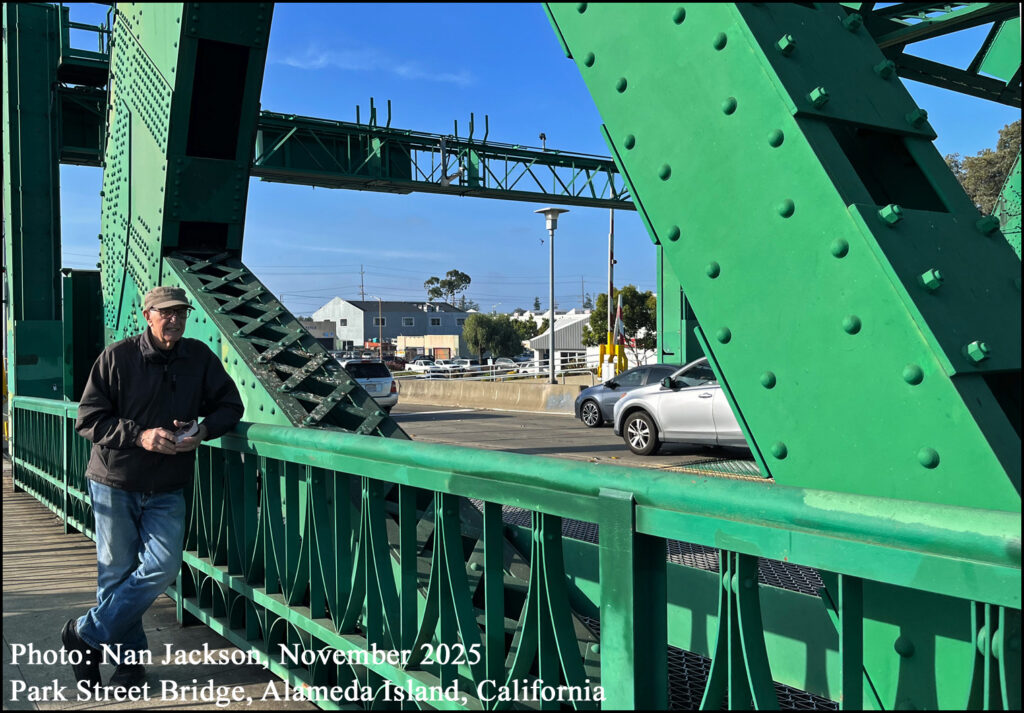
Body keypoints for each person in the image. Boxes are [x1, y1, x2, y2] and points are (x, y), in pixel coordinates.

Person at [61, 285, 244, 690]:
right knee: (116, 573)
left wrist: (204, 428)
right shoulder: (117, 357)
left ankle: (84, 634)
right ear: (148, 314)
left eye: (181, 312)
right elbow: (88, 419)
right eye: (167, 313)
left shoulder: (198, 357)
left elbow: (231, 405)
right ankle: (129, 666)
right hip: (116, 481)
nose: (175, 320)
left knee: (162, 566)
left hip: (167, 484)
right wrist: (140, 435)